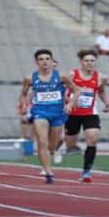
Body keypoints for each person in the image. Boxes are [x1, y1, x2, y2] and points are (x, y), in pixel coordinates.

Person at [19, 49, 80, 184]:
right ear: (36, 62)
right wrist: (23, 105)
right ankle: (48, 171)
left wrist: (70, 104)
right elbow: (23, 94)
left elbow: (77, 90)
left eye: (47, 58)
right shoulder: (30, 78)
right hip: (40, 112)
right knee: (42, 141)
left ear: (52, 61)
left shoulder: (62, 76)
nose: (44, 61)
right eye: (41, 59)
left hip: (58, 114)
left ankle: (52, 152)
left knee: (52, 145)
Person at [64, 49, 109, 183]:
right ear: (81, 62)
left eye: (92, 61)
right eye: (87, 61)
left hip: (90, 113)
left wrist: (106, 103)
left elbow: (101, 91)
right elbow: (63, 92)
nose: (90, 63)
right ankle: (62, 147)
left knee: (93, 138)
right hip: (72, 113)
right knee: (70, 143)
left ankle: (86, 172)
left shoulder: (101, 77)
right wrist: (68, 102)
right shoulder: (72, 75)